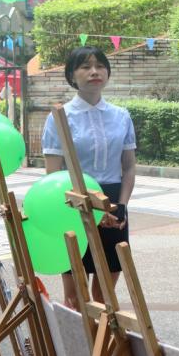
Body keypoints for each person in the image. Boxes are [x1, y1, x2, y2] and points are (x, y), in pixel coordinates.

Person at [42, 47, 136, 310]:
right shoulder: (59, 117)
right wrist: (87, 209)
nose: (94, 72)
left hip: (113, 205)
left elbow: (129, 167)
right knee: (75, 298)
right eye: (85, 66)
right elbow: (53, 174)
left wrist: (120, 206)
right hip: (74, 204)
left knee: (105, 296)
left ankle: (102, 337)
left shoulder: (121, 116)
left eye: (100, 66)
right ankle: (78, 338)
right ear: (72, 75)